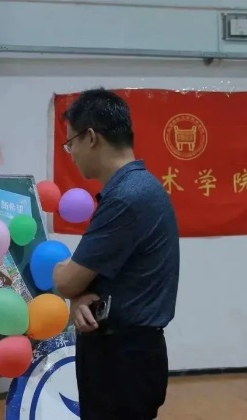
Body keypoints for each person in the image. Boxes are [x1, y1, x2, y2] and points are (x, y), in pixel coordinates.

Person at [53, 88, 180, 420]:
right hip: (124, 351)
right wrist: (79, 298)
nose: (71, 153)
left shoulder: (127, 198)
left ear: (91, 137)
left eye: (71, 143)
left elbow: (67, 281)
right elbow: (87, 281)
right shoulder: (137, 188)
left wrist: (65, 280)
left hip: (122, 358)